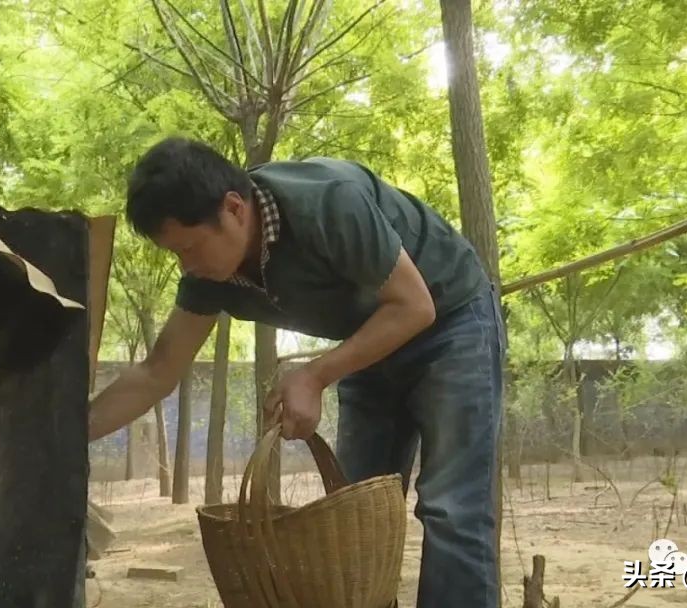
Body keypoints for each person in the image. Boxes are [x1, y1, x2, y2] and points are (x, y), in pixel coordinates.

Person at [88, 137, 506, 607]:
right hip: (371, 336)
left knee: (452, 507)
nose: (187, 266)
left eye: (189, 247)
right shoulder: (208, 277)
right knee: (352, 514)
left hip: (451, 321)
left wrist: (313, 376)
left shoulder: (328, 201)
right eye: (176, 254)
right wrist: (68, 435)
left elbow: (414, 306)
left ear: (234, 208)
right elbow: (156, 372)